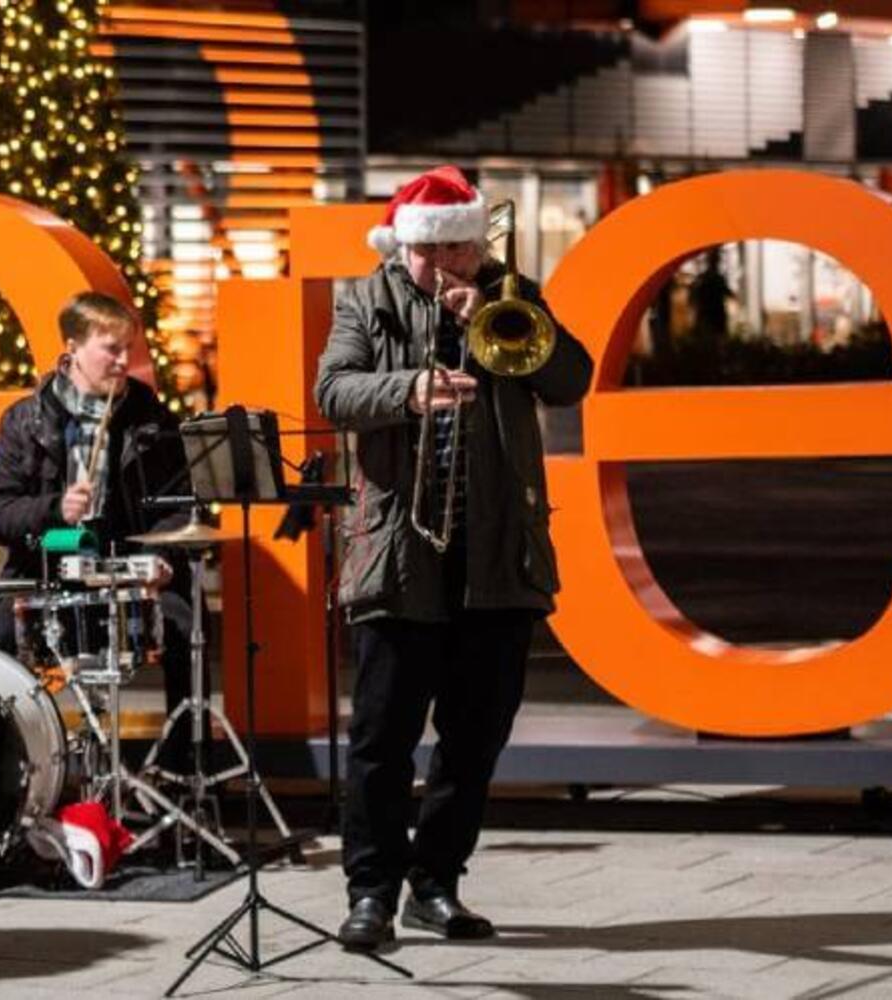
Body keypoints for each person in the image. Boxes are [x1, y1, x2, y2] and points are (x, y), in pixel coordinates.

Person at [314, 164, 594, 951]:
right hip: (402, 554)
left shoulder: (510, 293)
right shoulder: (366, 301)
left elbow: (573, 378)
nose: (455, 267)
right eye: (442, 256)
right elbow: (332, 391)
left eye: (467, 252)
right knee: (382, 736)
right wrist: (408, 389)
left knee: (475, 738)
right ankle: (370, 891)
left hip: (496, 553)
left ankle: (434, 884)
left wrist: (497, 316)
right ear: (410, 250)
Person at [0, 292, 205, 773]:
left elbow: (181, 506)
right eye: (111, 349)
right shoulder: (26, 420)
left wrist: (162, 559)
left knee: (185, 626)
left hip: (127, 574)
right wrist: (53, 509)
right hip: (46, 571)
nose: (124, 362)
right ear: (72, 348)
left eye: (128, 349)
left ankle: (183, 773)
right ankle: (11, 774)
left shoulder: (150, 419)